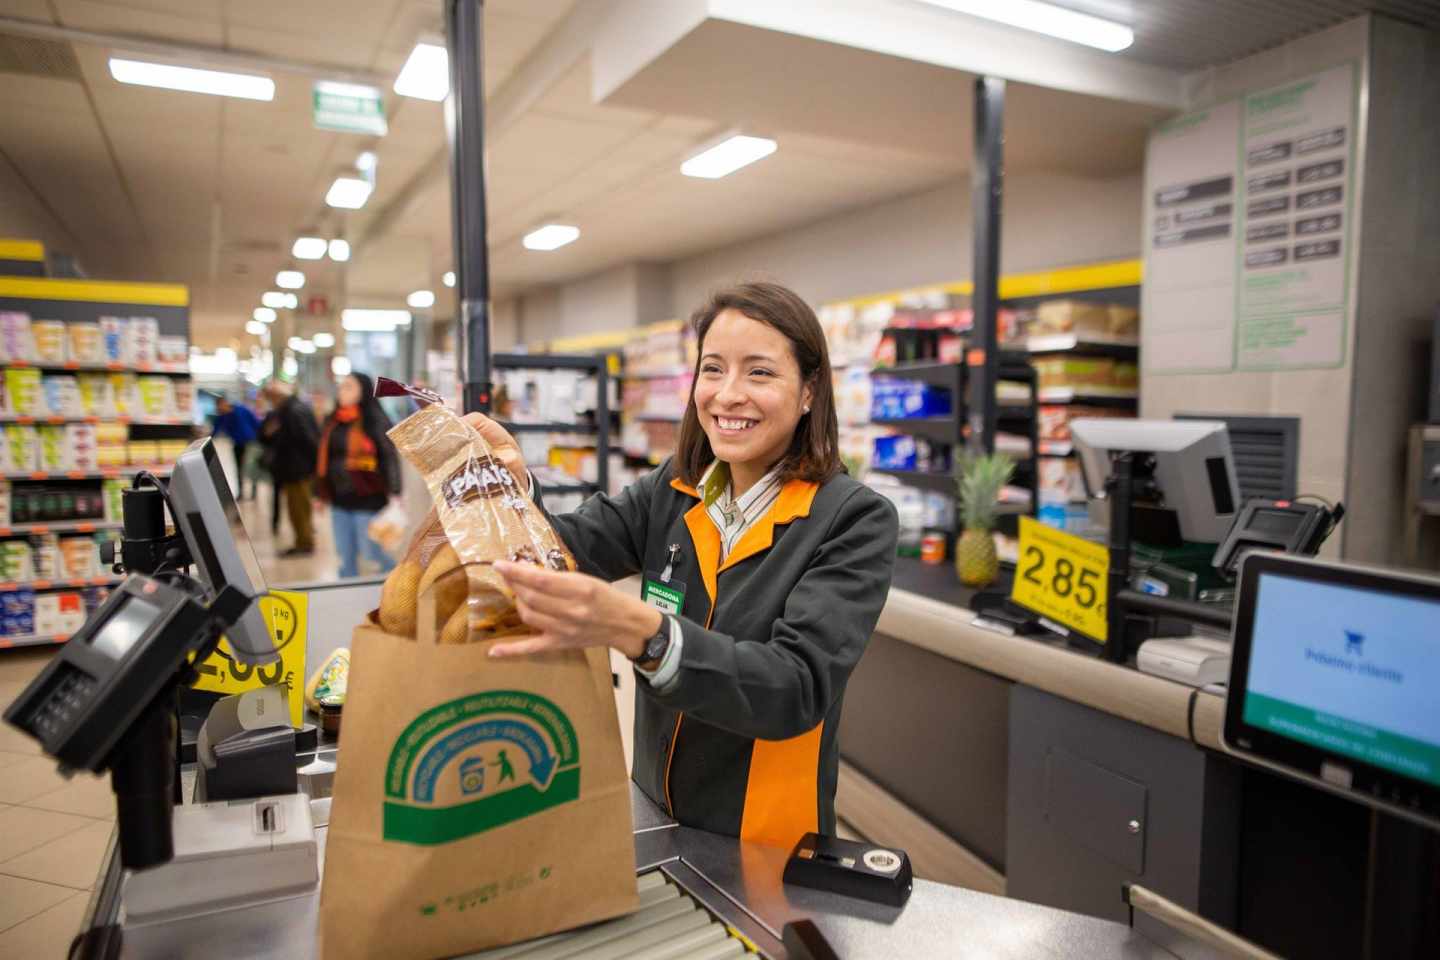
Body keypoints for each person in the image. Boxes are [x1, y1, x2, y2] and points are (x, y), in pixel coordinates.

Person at [469, 281, 899, 849]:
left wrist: (640, 630)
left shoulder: (852, 520)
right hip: (655, 810)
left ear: (809, 392)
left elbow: (793, 687)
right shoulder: (673, 491)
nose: (728, 394)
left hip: (766, 839)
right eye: (713, 369)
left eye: (760, 373)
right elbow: (563, 550)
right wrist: (511, 483)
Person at [316, 372, 400, 578]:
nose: (342, 391)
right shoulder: (333, 420)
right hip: (339, 498)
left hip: (368, 498)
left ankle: (395, 584)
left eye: (349, 387)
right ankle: (347, 597)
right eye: (341, 386)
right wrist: (319, 493)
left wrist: (396, 491)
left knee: (373, 552)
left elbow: (389, 457)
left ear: (363, 391)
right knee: (345, 554)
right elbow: (323, 457)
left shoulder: (375, 420)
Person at [258, 380, 320, 556]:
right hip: (293, 468)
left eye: (271, 397)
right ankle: (302, 542)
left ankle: (305, 544)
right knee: (296, 508)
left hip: (297, 469)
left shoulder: (293, 411)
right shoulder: (288, 410)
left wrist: (311, 466)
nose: (270, 401)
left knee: (300, 508)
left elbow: (308, 440)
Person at [211, 395, 260, 500]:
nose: (219, 409)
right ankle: (241, 492)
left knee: (251, 467)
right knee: (238, 468)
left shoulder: (242, 410)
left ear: (225, 403)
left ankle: (254, 492)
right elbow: (215, 430)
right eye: (218, 408)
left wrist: (260, 437)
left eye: (220, 406)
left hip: (251, 442)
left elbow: (255, 423)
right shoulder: (222, 416)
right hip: (237, 444)